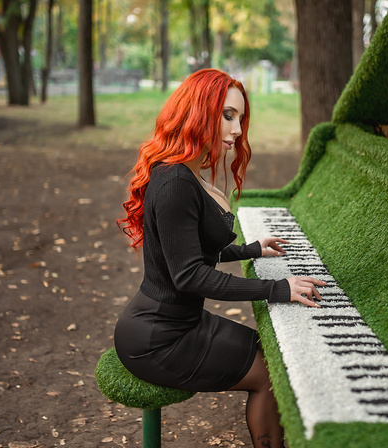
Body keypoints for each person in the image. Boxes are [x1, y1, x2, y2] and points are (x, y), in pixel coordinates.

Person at [114, 68, 325, 448]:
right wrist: (277, 287)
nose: (238, 129)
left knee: (272, 357)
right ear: (197, 112)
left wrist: (251, 249)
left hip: (180, 323)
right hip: (158, 339)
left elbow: (189, 245)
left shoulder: (185, 173)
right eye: (228, 115)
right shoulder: (177, 182)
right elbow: (190, 275)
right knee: (270, 375)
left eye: (241, 118)